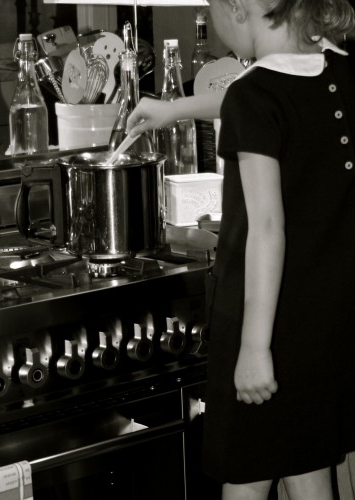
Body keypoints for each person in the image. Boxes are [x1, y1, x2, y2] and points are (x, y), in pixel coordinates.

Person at [127, 1, 355, 499]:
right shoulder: (336, 67)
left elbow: (267, 227)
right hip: (325, 323)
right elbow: (257, 98)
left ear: (238, 9)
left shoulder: (256, 95)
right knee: (308, 466)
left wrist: (254, 349)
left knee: (246, 481)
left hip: (263, 323)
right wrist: (174, 110)